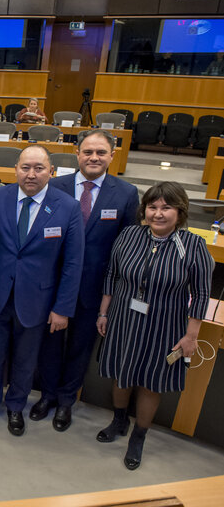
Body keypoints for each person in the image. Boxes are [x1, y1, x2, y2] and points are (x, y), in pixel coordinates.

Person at [96, 182, 213, 470]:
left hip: (165, 324)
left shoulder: (193, 245)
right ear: (144, 209)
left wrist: (191, 336)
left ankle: (138, 435)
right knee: (121, 372)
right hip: (123, 316)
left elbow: (200, 293)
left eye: (166, 208)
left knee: (151, 381)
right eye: (152, 207)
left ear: (180, 211)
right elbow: (112, 274)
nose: (158, 214)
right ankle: (119, 420)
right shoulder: (129, 234)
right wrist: (104, 312)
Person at [33, 129, 139, 431]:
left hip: (95, 290)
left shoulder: (126, 193)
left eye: (101, 153)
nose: (94, 158)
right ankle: (48, 395)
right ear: (77, 154)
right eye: (88, 152)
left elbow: (127, 245)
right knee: (50, 346)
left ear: (111, 156)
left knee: (80, 348)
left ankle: (66, 401)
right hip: (53, 285)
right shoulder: (56, 186)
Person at [0, 145, 83, 436]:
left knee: (26, 359)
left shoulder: (67, 207)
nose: (32, 174)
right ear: (16, 169)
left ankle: (15, 408)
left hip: (38, 299)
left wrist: (62, 308)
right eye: (26, 167)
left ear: (51, 171)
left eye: (39, 168)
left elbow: (73, 263)